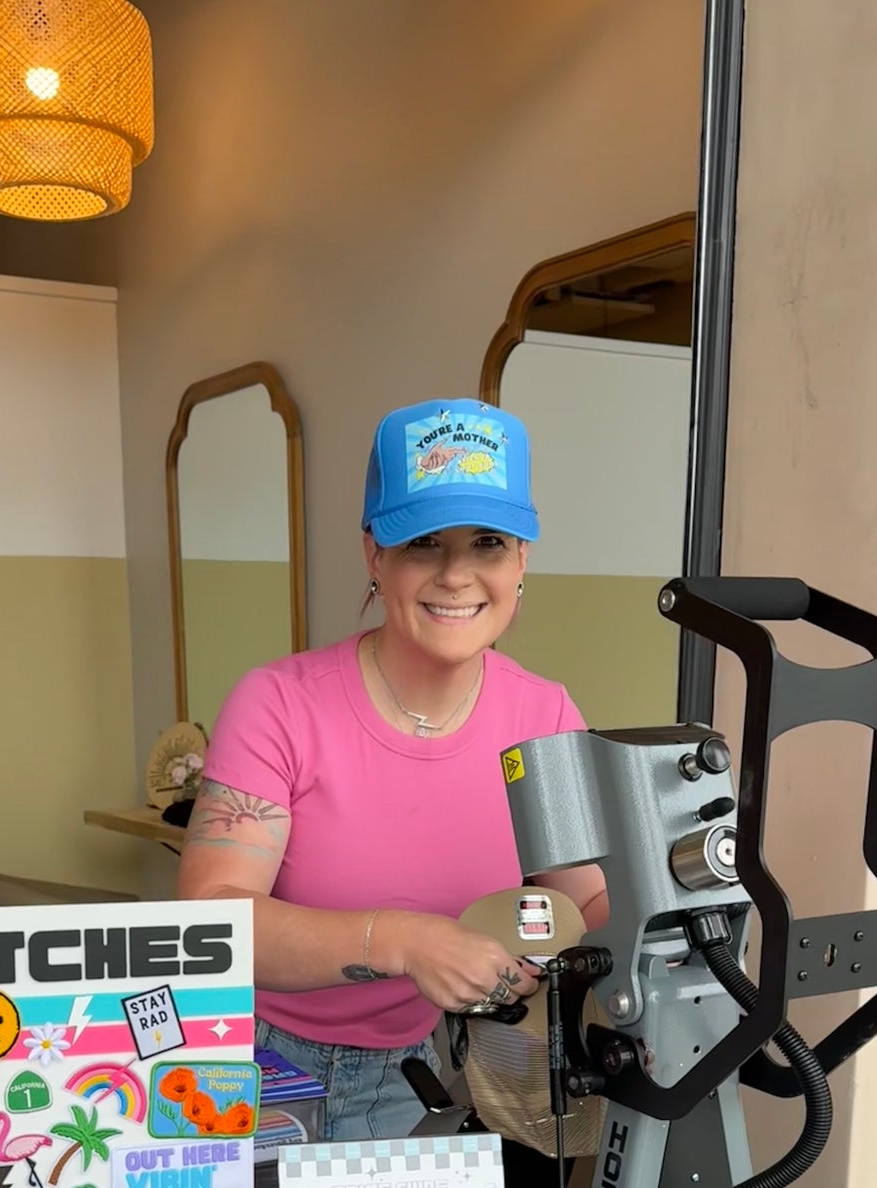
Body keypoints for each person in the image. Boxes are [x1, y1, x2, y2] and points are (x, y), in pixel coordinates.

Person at [177, 397, 608, 1140]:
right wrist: (407, 942)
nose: (456, 576)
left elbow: (590, 903)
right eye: (423, 545)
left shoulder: (545, 716)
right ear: (375, 554)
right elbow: (212, 921)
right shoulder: (280, 704)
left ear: (522, 560)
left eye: (487, 544)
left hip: (425, 1071)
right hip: (251, 1064)